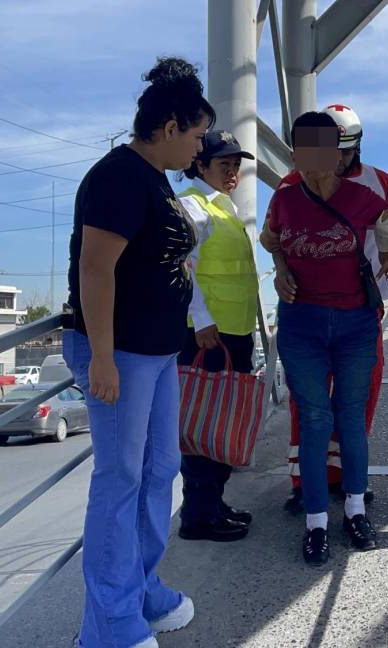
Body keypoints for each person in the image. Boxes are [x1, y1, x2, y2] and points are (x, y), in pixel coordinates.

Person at [65, 57, 211, 648]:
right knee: (121, 478)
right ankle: (108, 625)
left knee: (160, 471)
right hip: (118, 351)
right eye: (198, 136)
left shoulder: (154, 178)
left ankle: (140, 588)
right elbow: (95, 267)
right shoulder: (120, 176)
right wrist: (100, 356)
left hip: (155, 352)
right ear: (170, 126)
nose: (200, 150)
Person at [261, 111, 388, 565]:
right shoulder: (285, 197)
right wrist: (282, 270)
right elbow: (271, 240)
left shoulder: (363, 195)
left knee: (349, 416)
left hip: (355, 324)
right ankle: (316, 522)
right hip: (301, 324)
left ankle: (356, 510)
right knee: (314, 419)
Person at [175, 130, 259, 542]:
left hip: (233, 331)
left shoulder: (223, 208)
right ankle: (198, 515)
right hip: (209, 334)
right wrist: (201, 317)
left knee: (222, 420)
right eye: (222, 163)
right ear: (199, 165)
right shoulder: (194, 206)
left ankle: (212, 504)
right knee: (204, 424)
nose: (232, 170)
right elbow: (182, 266)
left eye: (235, 163)